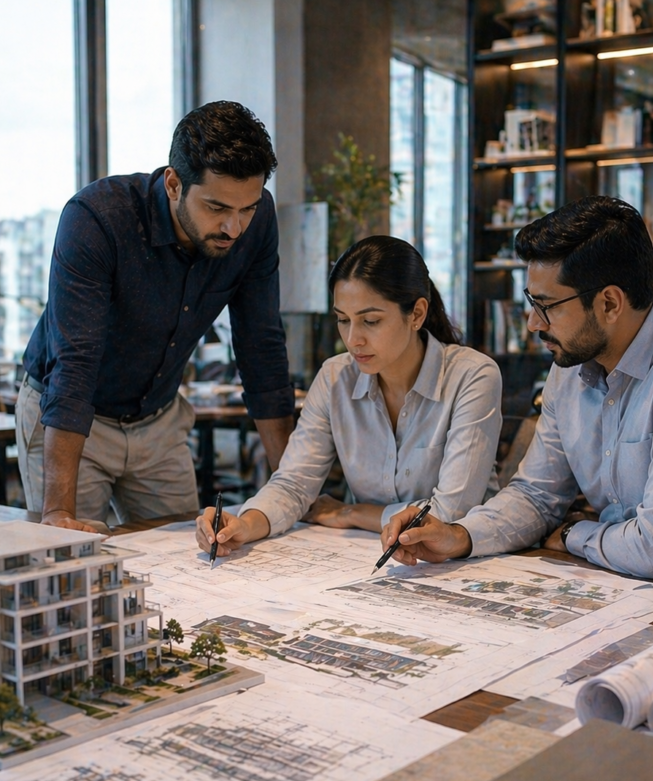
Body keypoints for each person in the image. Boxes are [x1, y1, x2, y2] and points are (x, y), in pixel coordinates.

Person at [382, 195, 653, 581]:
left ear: (610, 304)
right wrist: (458, 536)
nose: (534, 323)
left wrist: (572, 533)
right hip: (622, 585)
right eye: (531, 303)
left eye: (547, 306)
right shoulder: (570, 368)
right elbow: (537, 496)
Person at [17, 101, 295, 531]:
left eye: (247, 209)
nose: (234, 228)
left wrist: (290, 487)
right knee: (71, 565)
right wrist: (57, 513)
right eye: (217, 208)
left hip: (159, 420)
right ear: (172, 184)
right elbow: (76, 362)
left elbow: (262, 346)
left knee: (190, 560)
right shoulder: (97, 219)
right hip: (69, 419)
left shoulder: (255, 224)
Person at [197, 236, 502, 557]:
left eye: (371, 321)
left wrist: (352, 513)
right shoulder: (335, 377)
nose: (353, 339)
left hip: (469, 563)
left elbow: (450, 513)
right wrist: (245, 524)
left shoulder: (472, 375)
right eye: (343, 320)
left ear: (416, 314)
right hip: (371, 555)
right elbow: (293, 484)